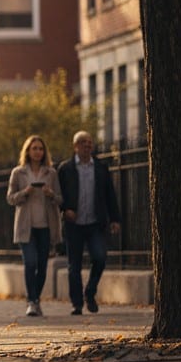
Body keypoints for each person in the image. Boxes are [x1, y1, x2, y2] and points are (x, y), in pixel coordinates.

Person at [56, 130, 122, 315]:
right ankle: (76, 304)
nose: (88, 145)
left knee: (100, 258)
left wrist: (115, 219)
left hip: (95, 223)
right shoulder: (65, 168)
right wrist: (64, 210)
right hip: (74, 224)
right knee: (73, 266)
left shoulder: (101, 167)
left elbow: (110, 194)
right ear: (75, 146)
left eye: (90, 142)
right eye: (83, 142)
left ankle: (90, 292)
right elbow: (58, 195)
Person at [7, 135, 62, 317]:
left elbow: (60, 199)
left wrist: (50, 193)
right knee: (30, 263)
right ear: (28, 151)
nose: (38, 152)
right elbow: (10, 198)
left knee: (42, 266)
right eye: (34, 148)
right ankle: (32, 301)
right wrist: (26, 192)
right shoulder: (18, 172)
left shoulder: (51, 173)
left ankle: (35, 299)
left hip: (45, 226)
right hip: (25, 226)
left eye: (40, 148)